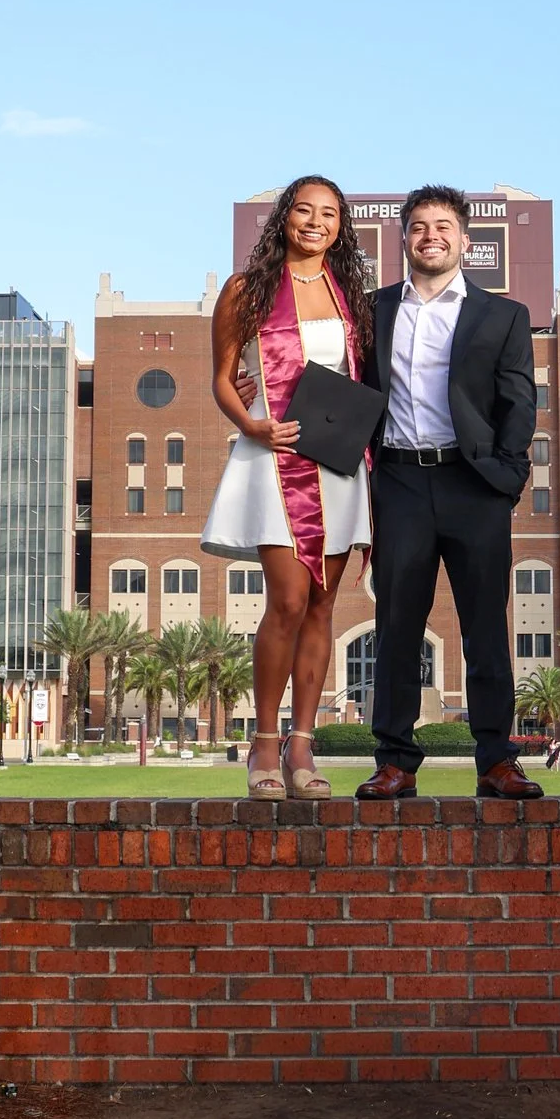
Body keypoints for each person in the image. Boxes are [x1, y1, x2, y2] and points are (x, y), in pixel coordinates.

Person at [359, 186, 543, 803]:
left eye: (442, 225)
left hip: (476, 486)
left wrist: (509, 477)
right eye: (417, 226)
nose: (429, 235)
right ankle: (395, 762)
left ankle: (495, 759)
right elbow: (333, 372)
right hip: (401, 482)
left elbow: (519, 401)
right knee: (397, 625)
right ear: (404, 239)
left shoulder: (504, 315)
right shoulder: (373, 309)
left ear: (465, 240)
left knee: (485, 626)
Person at [205, 173, 377, 799]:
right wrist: (251, 423)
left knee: (324, 605)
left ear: (341, 226)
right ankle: (265, 743)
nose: (315, 222)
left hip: (337, 462)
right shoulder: (246, 290)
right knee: (286, 600)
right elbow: (224, 377)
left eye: (328, 214)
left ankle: (304, 747)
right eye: (303, 210)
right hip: (274, 457)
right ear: (283, 218)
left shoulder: (351, 296)